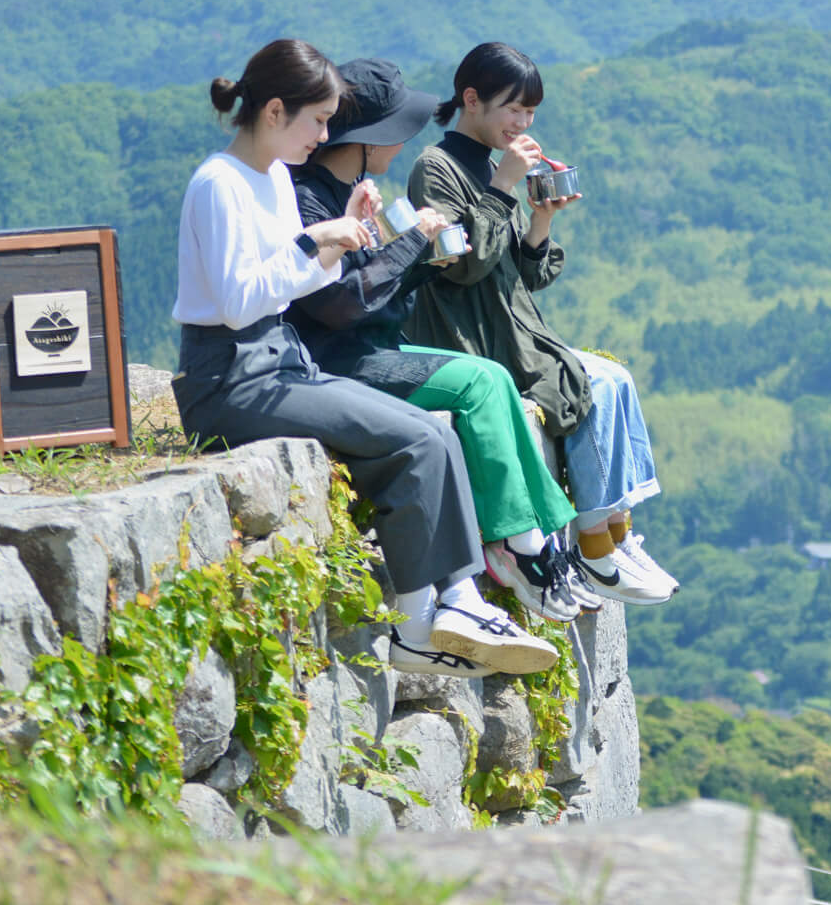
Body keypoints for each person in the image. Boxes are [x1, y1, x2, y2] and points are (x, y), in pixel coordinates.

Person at [170, 38, 559, 678]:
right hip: (229, 376)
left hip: (278, 358)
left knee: (433, 432)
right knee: (418, 439)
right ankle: (424, 624)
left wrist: (346, 237)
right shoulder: (220, 183)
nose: (325, 135)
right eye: (318, 120)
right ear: (275, 111)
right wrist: (316, 241)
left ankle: (448, 606)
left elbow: (311, 286)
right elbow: (239, 303)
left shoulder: (271, 177)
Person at [285, 57, 597, 623]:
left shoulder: (345, 189)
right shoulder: (311, 198)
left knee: (492, 379)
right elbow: (339, 305)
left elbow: (377, 286)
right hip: (336, 360)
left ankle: (538, 538)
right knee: (480, 383)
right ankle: (518, 544)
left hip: (371, 347)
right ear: (370, 138)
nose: (403, 143)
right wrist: (412, 245)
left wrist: (424, 255)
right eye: (395, 132)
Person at [405, 42, 676, 605]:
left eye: (530, 112)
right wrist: (503, 187)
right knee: (590, 381)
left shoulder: (490, 165)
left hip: (512, 329)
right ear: (471, 99)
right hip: (472, 338)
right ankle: (595, 547)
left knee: (615, 378)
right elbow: (463, 267)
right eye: (513, 109)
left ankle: (616, 535)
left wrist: (540, 222)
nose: (523, 123)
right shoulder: (436, 168)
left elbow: (522, 275)